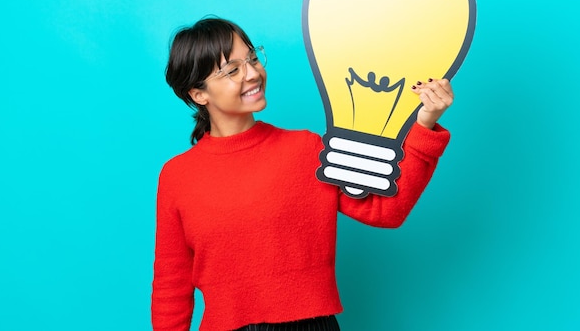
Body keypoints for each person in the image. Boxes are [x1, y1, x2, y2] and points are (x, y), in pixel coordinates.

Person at [152, 17, 454, 331]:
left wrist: (425, 125)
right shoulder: (178, 176)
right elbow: (171, 285)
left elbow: (385, 211)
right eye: (232, 70)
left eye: (253, 58)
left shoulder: (307, 149)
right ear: (199, 94)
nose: (253, 73)